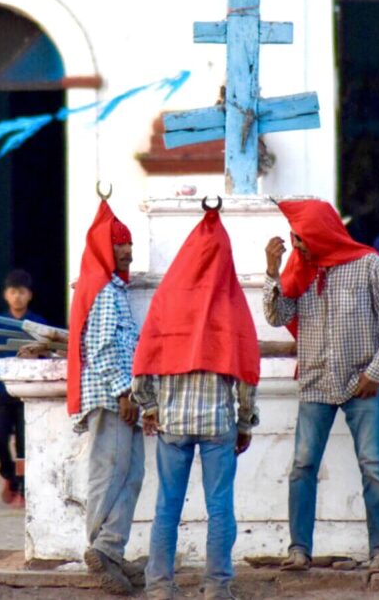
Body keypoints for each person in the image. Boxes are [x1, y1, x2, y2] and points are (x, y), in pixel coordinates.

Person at [264, 199, 379, 572]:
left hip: (362, 382)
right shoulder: (299, 269)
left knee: (373, 466)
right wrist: (272, 272)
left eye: (301, 238)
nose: (297, 246)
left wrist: (374, 373)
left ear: (321, 234)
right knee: (302, 467)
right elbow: (278, 316)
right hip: (315, 382)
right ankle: (299, 550)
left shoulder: (367, 264)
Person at [130, 206, 260, 600]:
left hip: (172, 422)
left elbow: (145, 359)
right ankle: (217, 588)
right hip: (218, 424)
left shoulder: (168, 299)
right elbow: (243, 369)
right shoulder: (230, 302)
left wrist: (149, 407)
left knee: (167, 506)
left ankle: (159, 587)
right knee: (220, 507)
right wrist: (244, 422)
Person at [63, 199, 145, 595]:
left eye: (129, 244)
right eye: (119, 245)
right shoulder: (103, 290)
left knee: (130, 474)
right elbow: (102, 347)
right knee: (110, 474)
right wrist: (125, 392)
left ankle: (110, 549)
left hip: (123, 396)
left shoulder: (113, 287)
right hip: (114, 396)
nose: (127, 252)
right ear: (103, 249)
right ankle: (102, 551)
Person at [0, 269, 45, 507]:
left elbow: (50, 353)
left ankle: (22, 489)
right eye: (13, 292)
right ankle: (9, 474)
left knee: (25, 443)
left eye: (22, 292)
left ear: (29, 295)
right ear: (5, 295)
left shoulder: (38, 325)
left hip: (29, 392)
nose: (17, 297)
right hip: (1, 390)